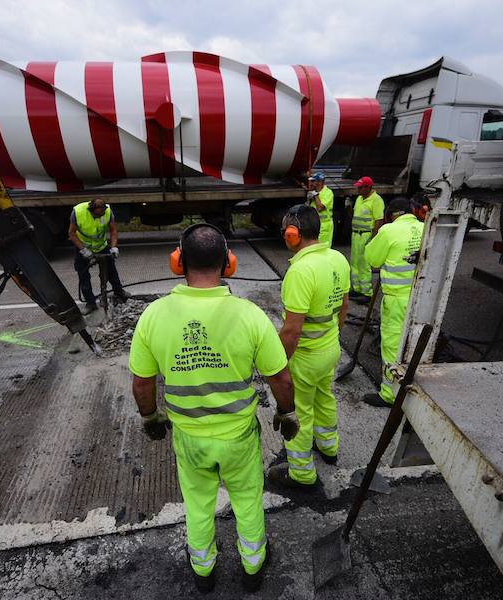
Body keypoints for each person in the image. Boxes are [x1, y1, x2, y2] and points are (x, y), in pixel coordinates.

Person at [128, 223, 298, 594]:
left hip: (190, 438)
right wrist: (287, 413)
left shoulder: (153, 316)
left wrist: (150, 417)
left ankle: (203, 571)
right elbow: (281, 379)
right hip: (238, 436)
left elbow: (142, 382)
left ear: (178, 262)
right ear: (229, 263)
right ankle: (253, 566)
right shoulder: (249, 314)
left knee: (198, 504)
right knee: (248, 500)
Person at [268, 205, 350, 490]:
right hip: (330, 350)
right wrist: (332, 338)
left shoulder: (300, 271)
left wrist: (277, 367)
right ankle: (329, 447)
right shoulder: (338, 258)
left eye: (284, 232)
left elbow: (292, 330)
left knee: (299, 412)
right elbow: (344, 307)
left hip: (305, 357)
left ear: (293, 234)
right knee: (324, 397)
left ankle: (301, 473)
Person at [362, 197, 424, 406]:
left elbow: (372, 259)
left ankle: (389, 394)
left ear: (391, 214)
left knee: (391, 345)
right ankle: (414, 383)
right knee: (414, 343)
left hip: (397, 300)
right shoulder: (425, 228)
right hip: (422, 297)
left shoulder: (388, 231)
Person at [68, 198, 127, 314]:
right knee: (83, 275)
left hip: (101, 246)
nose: (101, 217)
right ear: (91, 211)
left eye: (102, 214)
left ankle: (119, 293)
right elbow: (71, 233)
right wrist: (83, 250)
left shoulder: (108, 212)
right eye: (98, 215)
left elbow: (113, 230)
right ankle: (90, 303)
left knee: (112, 272)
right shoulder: (78, 212)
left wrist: (114, 247)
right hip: (83, 247)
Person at [349, 176, 385, 304]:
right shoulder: (359, 199)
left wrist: (373, 240)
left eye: (360, 187)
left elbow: (378, 221)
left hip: (366, 235)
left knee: (364, 264)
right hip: (356, 235)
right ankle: (357, 289)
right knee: (355, 263)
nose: (358, 189)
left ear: (368, 187)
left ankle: (367, 293)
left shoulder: (376, 200)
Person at [307, 172, 334, 246]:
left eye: (313, 181)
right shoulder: (314, 193)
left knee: (323, 249)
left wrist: (315, 195)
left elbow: (320, 208)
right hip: (315, 225)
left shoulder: (328, 193)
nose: (311, 183)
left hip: (324, 226)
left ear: (320, 182)